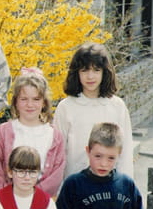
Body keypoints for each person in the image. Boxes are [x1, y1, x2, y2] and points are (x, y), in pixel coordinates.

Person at [53, 42, 134, 180]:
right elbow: (58, 153)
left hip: (109, 184)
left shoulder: (117, 106)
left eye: (96, 70)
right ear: (76, 73)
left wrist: (125, 186)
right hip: (74, 183)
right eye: (84, 70)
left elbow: (125, 152)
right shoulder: (66, 107)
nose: (90, 76)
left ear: (104, 72)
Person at [0, 68, 65, 196]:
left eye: (36, 99)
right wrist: (10, 198)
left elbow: (55, 176)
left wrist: (33, 197)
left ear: (44, 102)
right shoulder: (2, 132)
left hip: (40, 201)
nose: (30, 104)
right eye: (24, 99)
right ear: (16, 101)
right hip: (6, 201)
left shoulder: (54, 136)